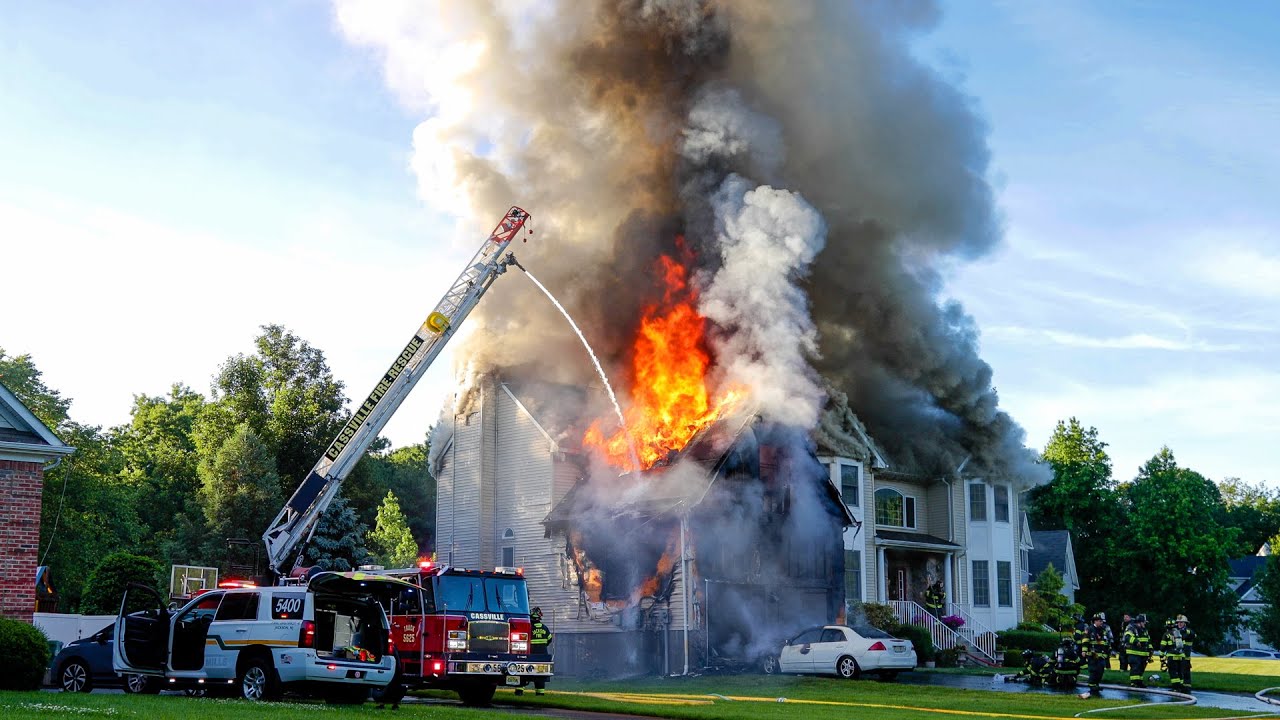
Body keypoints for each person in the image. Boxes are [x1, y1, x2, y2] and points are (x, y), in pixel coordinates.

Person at [516, 606, 554, 696]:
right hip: (542, 655)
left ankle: (519, 691)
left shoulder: (528, 628)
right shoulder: (545, 628)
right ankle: (540, 693)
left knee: (523, 672)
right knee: (540, 674)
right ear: (540, 617)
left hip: (529, 654)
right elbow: (549, 640)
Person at [1080, 613, 1111, 699]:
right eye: (1100, 621)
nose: (1102, 623)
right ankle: (1092, 687)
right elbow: (1085, 640)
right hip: (1092, 655)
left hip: (1101, 655)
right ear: (1096, 621)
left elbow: (1106, 641)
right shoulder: (1089, 629)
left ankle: (1096, 685)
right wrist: (1084, 650)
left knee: (1100, 671)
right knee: (1093, 671)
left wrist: (1109, 650)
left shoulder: (1103, 630)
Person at [1163, 614, 1195, 693]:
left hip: (1186, 655)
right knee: (1178, 671)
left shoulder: (1188, 631)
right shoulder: (1175, 632)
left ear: (1185, 623)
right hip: (1179, 655)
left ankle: (1187, 688)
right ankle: (1179, 687)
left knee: (1186, 672)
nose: (1179, 624)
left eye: (1181, 622)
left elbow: (1193, 635)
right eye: (1178, 622)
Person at [1123, 614, 1153, 688]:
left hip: (1143, 654)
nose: (1145, 624)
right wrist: (1136, 641)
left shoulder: (1144, 630)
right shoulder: (1131, 628)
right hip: (1134, 653)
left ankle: (1139, 682)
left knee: (1141, 669)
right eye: (1144, 622)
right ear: (1140, 622)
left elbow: (1147, 641)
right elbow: (1127, 636)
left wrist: (1150, 649)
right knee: (1135, 668)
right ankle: (1134, 683)